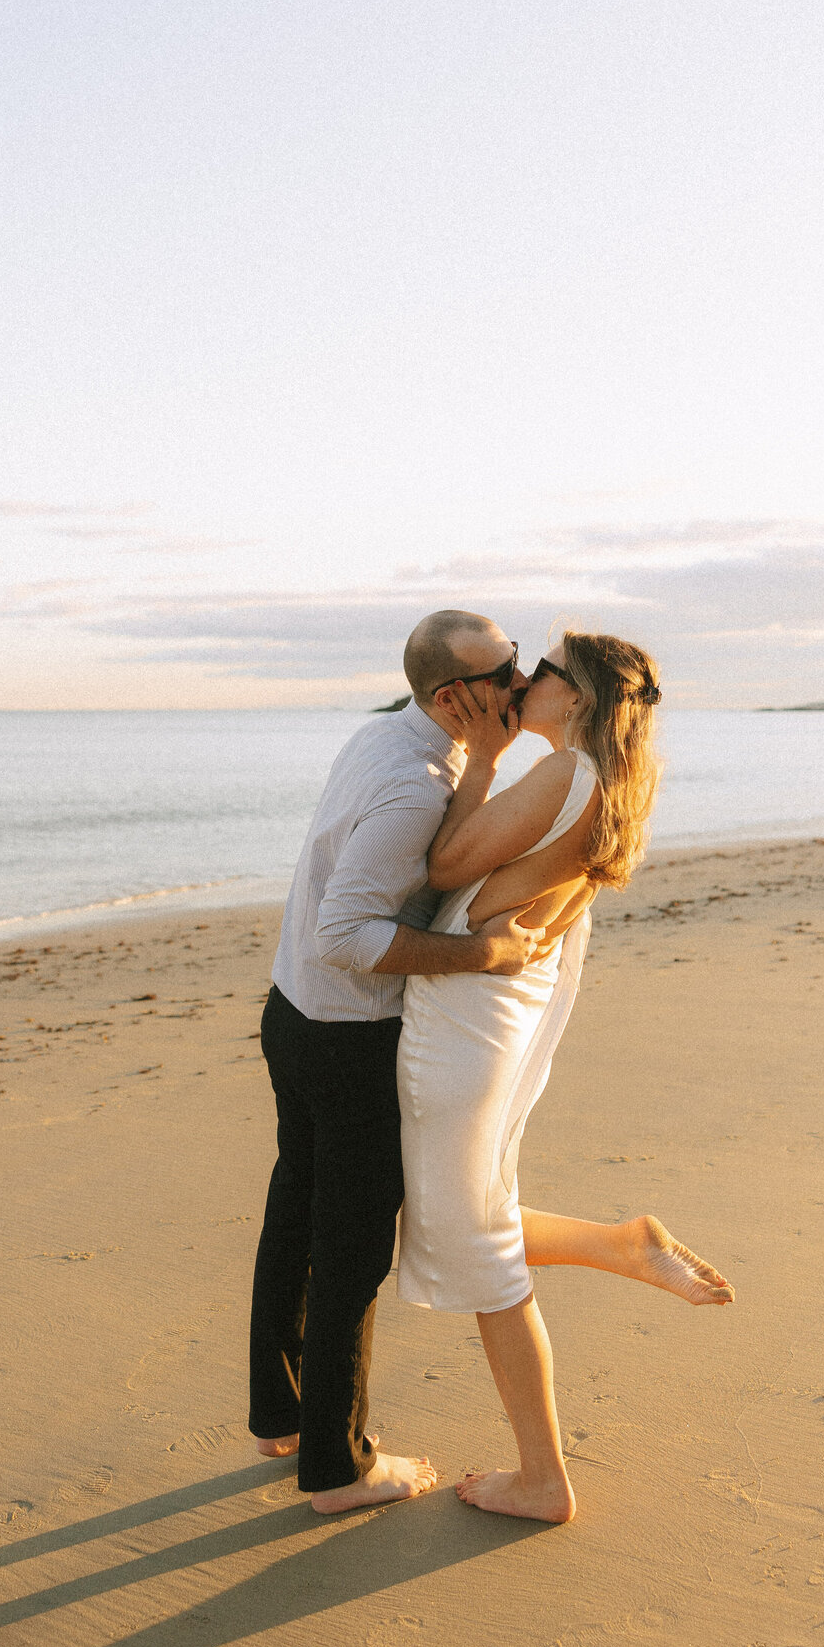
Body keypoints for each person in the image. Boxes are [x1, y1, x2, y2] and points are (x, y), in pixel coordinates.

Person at [397, 631, 734, 1524]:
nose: (524, 680)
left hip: (464, 1016)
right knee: (459, 1218)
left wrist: (477, 757)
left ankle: (544, 1477)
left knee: (472, 1245)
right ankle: (618, 1245)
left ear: (576, 694)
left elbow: (444, 865)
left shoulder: (563, 773)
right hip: (493, 1010)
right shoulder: (616, 783)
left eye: (541, 670)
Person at [248, 609, 545, 1515]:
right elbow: (349, 934)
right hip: (345, 1035)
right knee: (350, 1248)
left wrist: (487, 762)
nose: (522, 683)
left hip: (291, 1013)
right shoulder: (416, 786)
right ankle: (339, 1471)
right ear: (454, 697)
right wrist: (482, 957)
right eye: (505, 674)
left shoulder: (389, 737)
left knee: (294, 1214)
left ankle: (283, 1416)